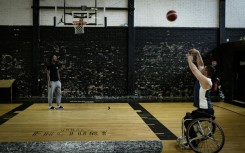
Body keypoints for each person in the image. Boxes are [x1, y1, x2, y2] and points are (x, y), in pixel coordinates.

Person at [184, 49, 216, 146]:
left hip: (206, 110)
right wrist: (198, 53)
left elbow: (194, 69)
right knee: (188, 117)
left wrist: (189, 59)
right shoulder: (205, 77)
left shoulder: (205, 81)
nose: (202, 67)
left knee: (187, 121)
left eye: (204, 68)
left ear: (205, 72)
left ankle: (194, 142)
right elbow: (200, 64)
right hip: (203, 109)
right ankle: (192, 137)